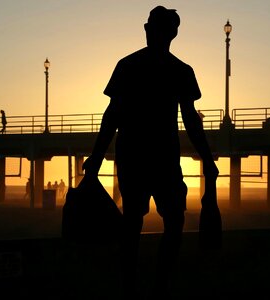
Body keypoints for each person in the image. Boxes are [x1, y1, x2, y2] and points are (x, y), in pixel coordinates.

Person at [82, 6, 219, 297]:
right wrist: (207, 159)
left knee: (134, 222)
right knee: (172, 221)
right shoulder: (180, 71)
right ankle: (158, 284)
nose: (149, 32)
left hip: (135, 158)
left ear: (164, 32)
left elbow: (112, 116)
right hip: (163, 159)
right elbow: (191, 120)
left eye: (152, 28)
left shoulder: (129, 66)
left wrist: (96, 157)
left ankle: (132, 285)